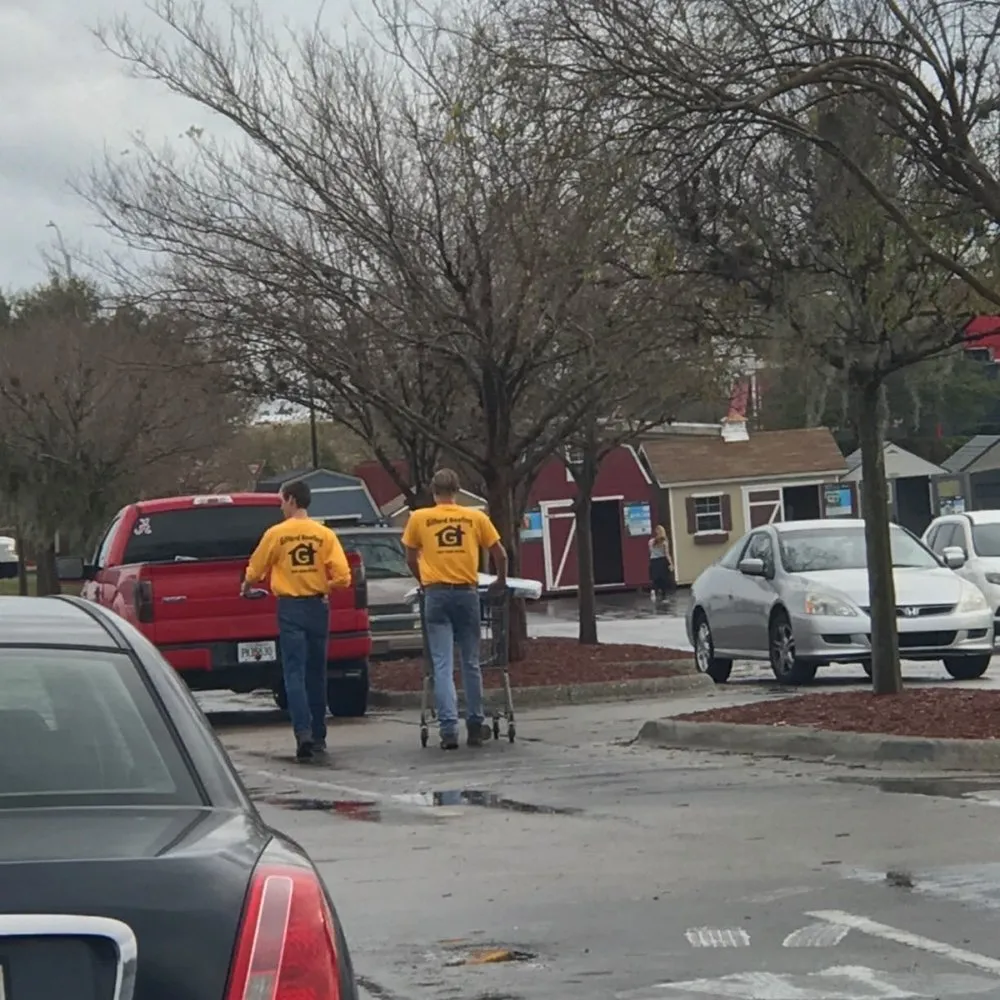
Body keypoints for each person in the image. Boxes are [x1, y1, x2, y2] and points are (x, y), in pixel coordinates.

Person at [242, 479, 352, 762]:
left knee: (294, 672)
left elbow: (256, 568)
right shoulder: (324, 535)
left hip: (290, 607)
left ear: (291, 500)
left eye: (282, 500)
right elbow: (343, 577)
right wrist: (325, 587)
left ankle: (302, 732)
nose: (281, 506)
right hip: (317, 605)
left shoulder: (276, 534)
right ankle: (319, 735)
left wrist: (246, 585)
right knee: (317, 671)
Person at [403, 468, 508, 750]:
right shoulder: (475, 517)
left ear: (433, 491)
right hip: (466, 593)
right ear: (457, 491)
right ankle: (474, 724)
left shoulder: (419, 518)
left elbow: (410, 557)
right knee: (471, 662)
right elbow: (500, 554)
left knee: (442, 664)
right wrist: (500, 579)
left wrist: (423, 581)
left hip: (436, 594)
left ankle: (448, 729)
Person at [648, 524, 674, 602]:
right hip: (662, 561)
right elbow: (667, 554)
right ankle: (663, 596)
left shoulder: (650, 542)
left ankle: (653, 591)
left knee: (655, 579)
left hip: (653, 561)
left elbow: (650, 552)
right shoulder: (664, 542)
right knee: (663, 579)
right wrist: (671, 563)